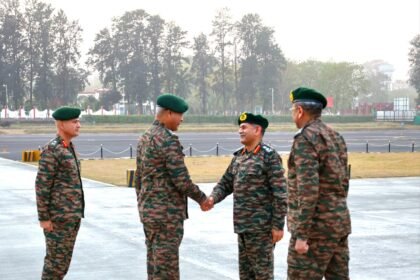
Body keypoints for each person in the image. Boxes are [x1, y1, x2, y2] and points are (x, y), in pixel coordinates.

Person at [202, 112, 287, 280]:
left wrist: (278, 225)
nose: (240, 131)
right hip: (243, 228)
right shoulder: (239, 157)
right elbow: (226, 183)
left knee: (262, 275)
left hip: (261, 229)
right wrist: (212, 198)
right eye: (239, 128)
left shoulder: (269, 156)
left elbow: (280, 193)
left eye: (244, 127)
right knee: (246, 275)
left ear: (257, 130)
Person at [135, 94, 207, 280]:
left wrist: (143, 205)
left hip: (149, 212)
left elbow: (139, 179)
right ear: (168, 113)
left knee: (154, 265)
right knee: (167, 270)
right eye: (179, 114)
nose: (182, 119)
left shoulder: (145, 137)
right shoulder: (167, 140)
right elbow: (181, 179)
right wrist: (202, 198)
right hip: (166, 215)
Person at [286, 87, 351, 279]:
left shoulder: (306, 139)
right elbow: (344, 182)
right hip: (338, 224)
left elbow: (308, 191)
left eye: (292, 110)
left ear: (300, 111)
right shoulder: (335, 136)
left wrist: (302, 234)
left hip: (314, 231)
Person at [35, 106, 84, 280]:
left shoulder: (68, 147)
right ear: (61, 124)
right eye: (74, 122)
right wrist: (44, 218)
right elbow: (42, 186)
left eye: (78, 121)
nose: (79, 125)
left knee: (62, 264)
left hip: (70, 217)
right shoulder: (52, 150)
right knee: (54, 265)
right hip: (58, 219)